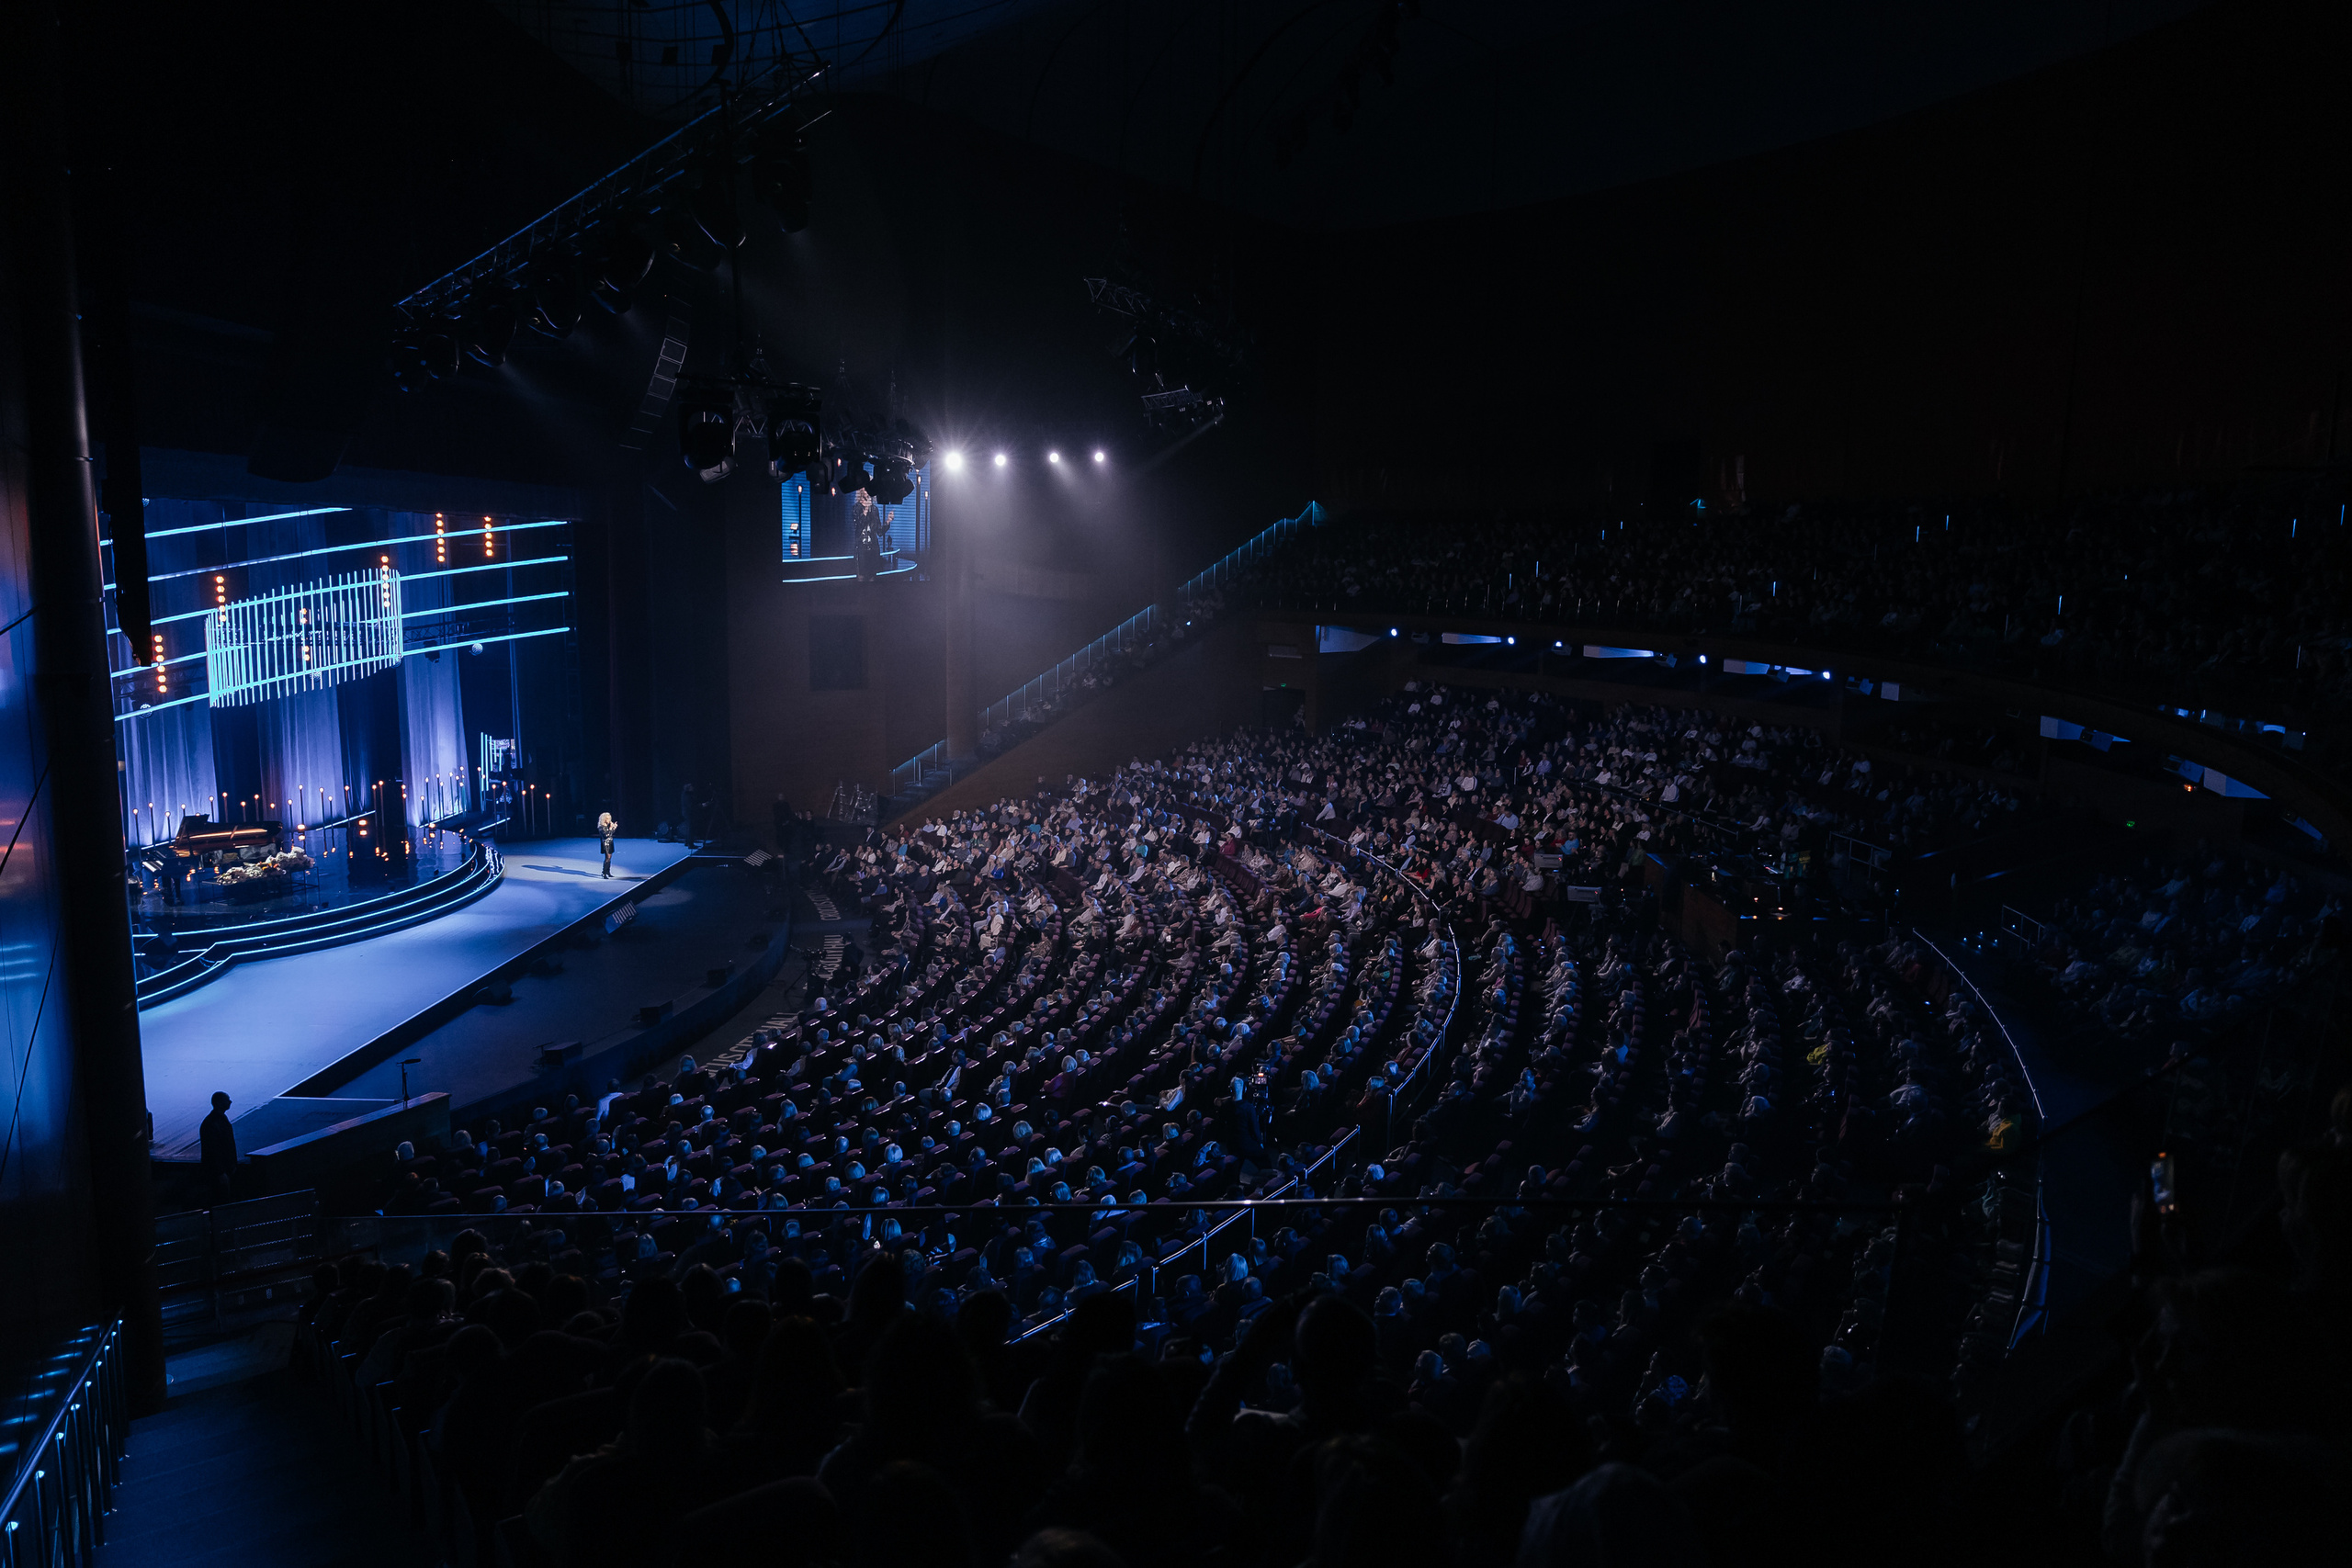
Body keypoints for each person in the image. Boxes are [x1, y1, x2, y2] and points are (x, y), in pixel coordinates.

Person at [199, 1090, 236, 1199]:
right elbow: (213, 1150)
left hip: (222, 1170)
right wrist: (220, 1172)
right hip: (220, 1172)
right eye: (227, 1099)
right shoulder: (215, 1122)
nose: (230, 1102)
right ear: (220, 1103)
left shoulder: (215, 1120)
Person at [597, 811, 618, 878]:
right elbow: (606, 835)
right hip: (605, 843)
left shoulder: (606, 826)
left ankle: (608, 871)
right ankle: (604, 872)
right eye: (608, 819)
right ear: (604, 819)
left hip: (610, 842)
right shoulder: (601, 826)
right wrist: (611, 828)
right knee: (607, 857)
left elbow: (610, 834)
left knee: (610, 857)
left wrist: (614, 827)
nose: (609, 820)